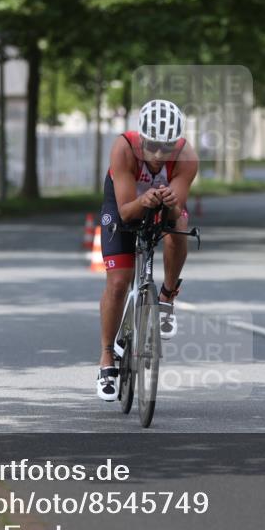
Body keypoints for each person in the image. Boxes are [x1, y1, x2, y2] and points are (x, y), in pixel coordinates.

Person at [96, 99, 198, 401]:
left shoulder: (187, 157)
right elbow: (127, 213)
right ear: (141, 137)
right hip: (123, 203)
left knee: (178, 226)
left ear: (176, 144)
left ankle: (166, 298)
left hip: (163, 204)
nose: (157, 154)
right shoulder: (123, 148)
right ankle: (105, 359)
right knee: (118, 282)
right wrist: (144, 201)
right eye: (151, 145)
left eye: (166, 147)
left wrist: (167, 203)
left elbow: (175, 211)